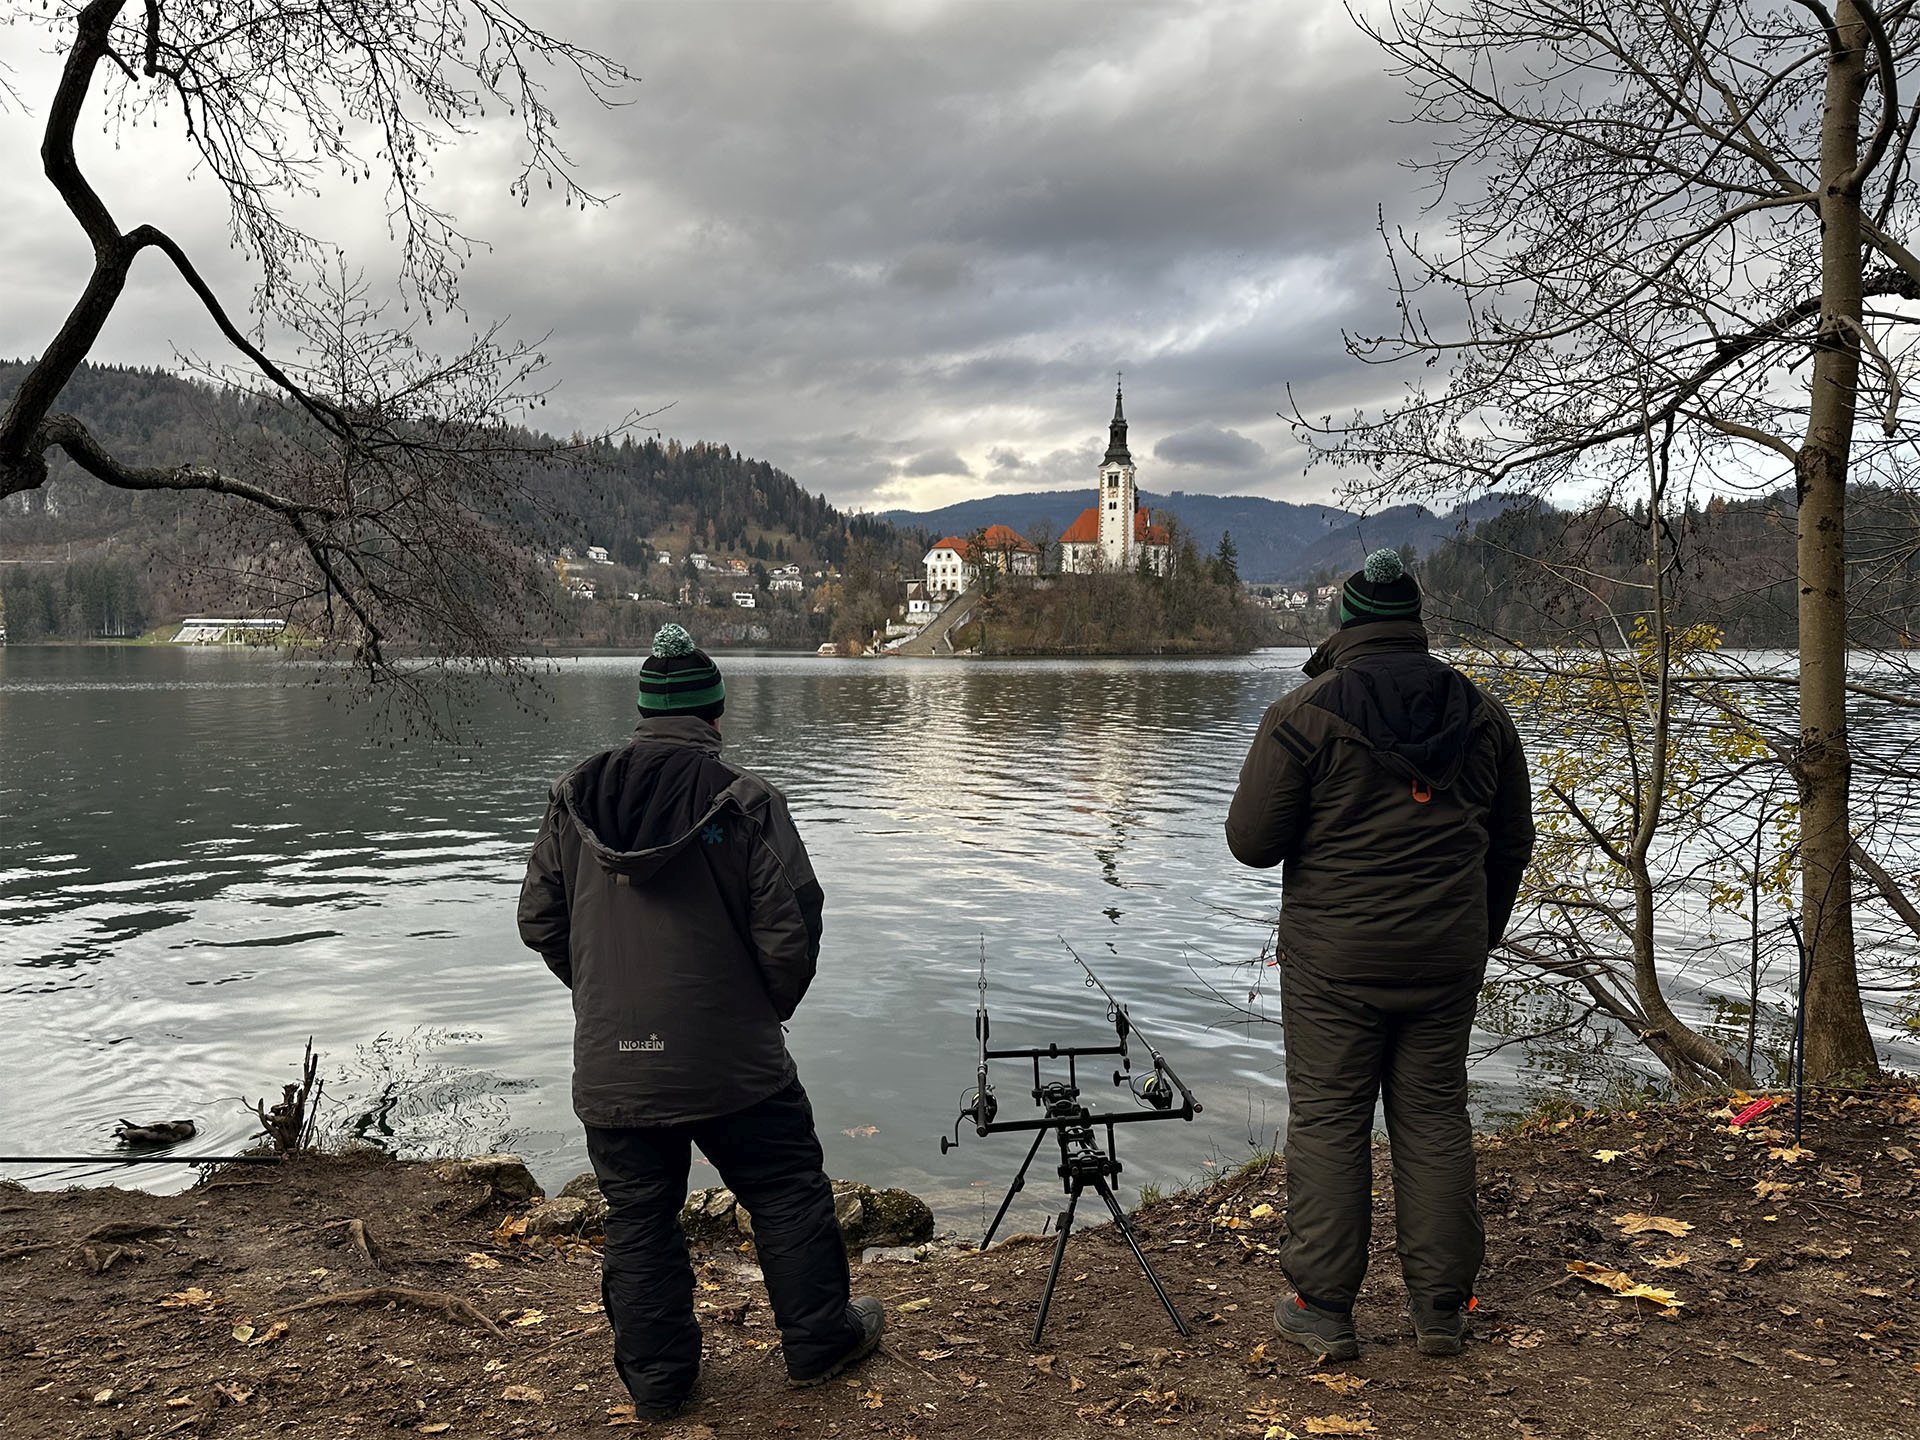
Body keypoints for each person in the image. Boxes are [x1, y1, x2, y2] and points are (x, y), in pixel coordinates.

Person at [517, 623, 883, 1418]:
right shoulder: (746, 801)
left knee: (639, 1215)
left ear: (643, 713)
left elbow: (540, 922)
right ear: (716, 712)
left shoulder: (574, 797)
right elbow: (792, 931)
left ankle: (658, 1386)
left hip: (617, 1056)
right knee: (786, 1189)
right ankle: (819, 1345)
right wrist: (758, 1013)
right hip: (732, 1057)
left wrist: (606, 1001)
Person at [1225, 550, 1534, 1362]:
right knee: (1434, 1119)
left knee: (1330, 1120)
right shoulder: (1484, 714)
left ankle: (1323, 1308)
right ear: (1416, 621)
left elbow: (1251, 843)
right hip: (1446, 958)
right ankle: (1441, 1310)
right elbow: (1511, 845)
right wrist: (1480, 933)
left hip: (1335, 962)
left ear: (1349, 622)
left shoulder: (1304, 714)